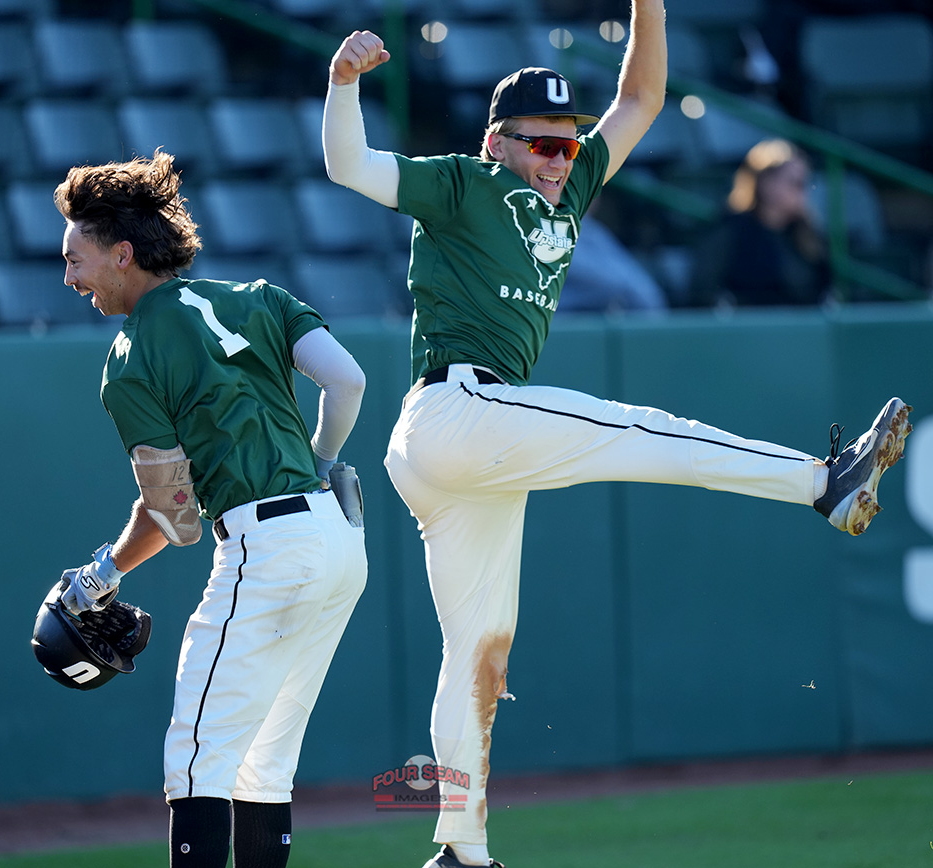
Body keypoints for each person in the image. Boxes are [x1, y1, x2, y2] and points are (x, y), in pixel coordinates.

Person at [323, 5, 911, 867]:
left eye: (569, 143)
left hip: (471, 454)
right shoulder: (462, 182)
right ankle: (823, 482)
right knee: (639, 428)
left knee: (479, 653)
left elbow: (640, 96)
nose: (562, 159)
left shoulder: (572, 184)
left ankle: (460, 851)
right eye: (543, 144)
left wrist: (650, 8)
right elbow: (344, 163)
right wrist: (342, 84)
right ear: (499, 142)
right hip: (457, 412)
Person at [51, 149, 368, 868]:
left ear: (122, 254)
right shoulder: (260, 294)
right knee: (263, 763)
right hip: (340, 541)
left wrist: (100, 573)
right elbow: (348, 382)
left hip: (265, 548)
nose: (68, 277)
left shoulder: (130, 356)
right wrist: (315, 465)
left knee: (196, 761)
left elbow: (173, 517)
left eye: (75, 258)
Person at [689, 138, 832, 308]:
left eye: (804, 183)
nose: (802, 193)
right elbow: (705, 292)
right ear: (766, 183)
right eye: (795, 183)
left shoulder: (809, 235)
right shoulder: (729, 232)